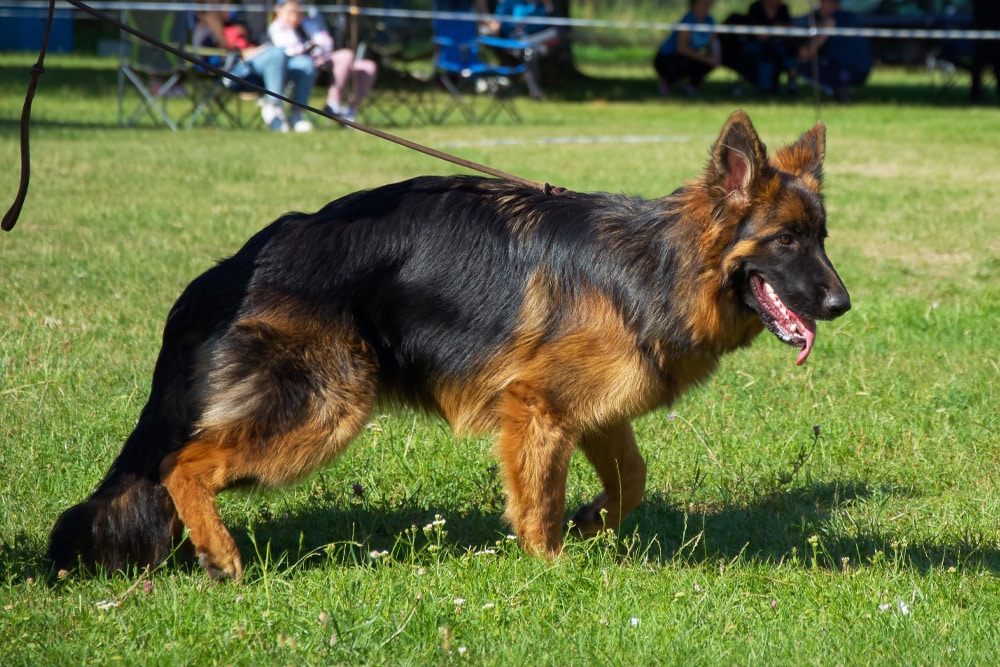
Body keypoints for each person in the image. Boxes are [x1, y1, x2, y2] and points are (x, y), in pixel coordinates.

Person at [193, 0, 317, 132]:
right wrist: (239, 55)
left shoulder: (239, 24)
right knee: (276, 54)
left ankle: (297, 115)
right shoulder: (205, 29)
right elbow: (202, 56)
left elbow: (261, 39)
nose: (229, 9)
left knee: (305, 63)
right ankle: (274, 107)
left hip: (263, 65)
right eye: (225, 6)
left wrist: (259, 50)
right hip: (239, 71)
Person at [269, 0, 377, 122]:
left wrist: (317, 51)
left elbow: (327, 42)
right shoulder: (277, 28)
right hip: (300, 68)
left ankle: (348, 111)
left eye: (299, 11)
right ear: (279, 10)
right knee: (337, 57)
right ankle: (329, 106)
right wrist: (311, 49)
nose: (295, 16)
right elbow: (288, 51)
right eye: (291, 11)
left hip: (325, 63)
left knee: (366, 66)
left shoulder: (309, 23)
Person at [481, 0, 560, 100]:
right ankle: (499, 85)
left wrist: (548, 5)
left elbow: (555, 27)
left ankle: (535, 92)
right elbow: (499, 24)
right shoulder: (510, 3)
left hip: (537, 44)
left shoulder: (544, 4)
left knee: (529, 54)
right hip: (512, 43)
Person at [795, 0, 872, 101]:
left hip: (845, 70)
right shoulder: (851, 17)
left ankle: (837, 89)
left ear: (831, 4)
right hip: (865, 69)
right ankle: (841, 88)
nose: (819, 8)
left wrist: (803, 54)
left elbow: (810, 50)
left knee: (803, 67)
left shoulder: (831, 21)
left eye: (821, 4)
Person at [653, 0, 721, 97]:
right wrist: (706, 59)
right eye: (704, 4)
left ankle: (692, 86)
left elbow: (714, 43)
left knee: (706, 62)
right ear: (694, 4)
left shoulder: (710, 21)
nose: (707, 6)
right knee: (686, 60)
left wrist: (715, 57)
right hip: (666, 59)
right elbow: (682, 48)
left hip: (689, 57)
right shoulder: (688, 20)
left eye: (709, 4)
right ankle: (667, 84)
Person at [744, 0, 798, 94]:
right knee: (767, 53)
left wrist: (773, 30)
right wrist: (776, 28)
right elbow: (758, 34)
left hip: (778, 44)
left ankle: (792, 84)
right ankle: (766, 86)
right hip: (758, 45)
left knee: (790, 51)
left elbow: (789, 28)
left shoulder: (783, 9)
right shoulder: (756, 8)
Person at [970, 0, 1000, 103]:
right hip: (983, 37)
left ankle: (976, 95)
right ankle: (975, 95)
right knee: (976, 67)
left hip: (993, 38)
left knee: (997, 67)